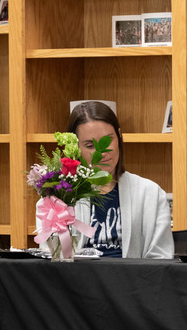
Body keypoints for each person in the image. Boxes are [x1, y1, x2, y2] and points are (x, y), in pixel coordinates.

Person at [65, 101, 173, 258]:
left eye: (107, 141)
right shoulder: (60, 194)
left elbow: (161, 259)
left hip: (133, 281)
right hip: (77, 281)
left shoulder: (151, 193)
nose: (102, 153)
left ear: (119, 137)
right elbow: (51, 257)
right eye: (90, 145)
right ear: (76, 148)